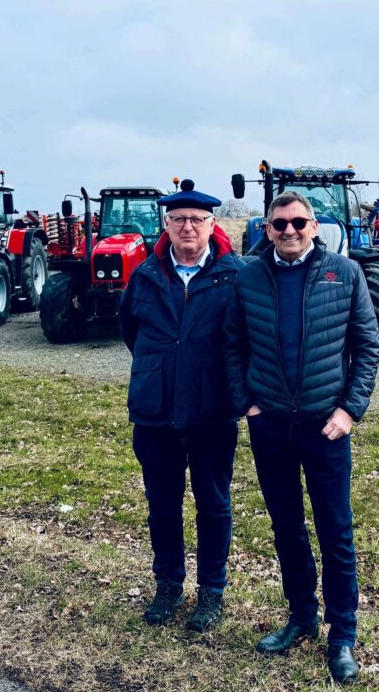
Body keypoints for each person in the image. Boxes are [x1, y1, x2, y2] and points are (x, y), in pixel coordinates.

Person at [223, 191, 379, 684]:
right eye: (279, 224)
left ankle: (342, 636)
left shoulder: (345, 274)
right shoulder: (248, 277)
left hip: (325, 429)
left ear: (313, 226)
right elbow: (232, 345)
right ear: (267, 229)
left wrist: (350, 411)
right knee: (287, 527)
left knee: (336, 533)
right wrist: (247, 404)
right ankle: (301, 618)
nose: (289, 230)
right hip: (271, 426)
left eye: (297, 222)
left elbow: (367, 347)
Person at [118, 179, 243, 632]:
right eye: (178, 220)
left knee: (214, 505)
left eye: (196, 219)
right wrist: (163, 368)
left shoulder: (234, 276)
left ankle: (211, 591)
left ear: (211, 225)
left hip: (212, 412)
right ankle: (168, 584)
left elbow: (244, 339)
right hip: (156, 413)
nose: (188, 227)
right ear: (166, 225)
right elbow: (131, 331)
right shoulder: (145, 275)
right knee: (163, 505)